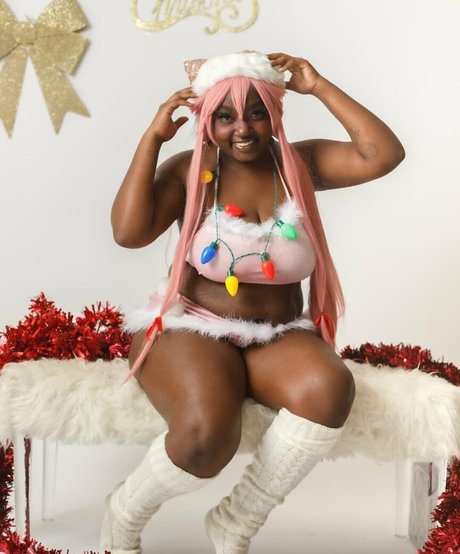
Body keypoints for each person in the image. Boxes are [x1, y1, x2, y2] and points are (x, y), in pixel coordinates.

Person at [101, 51, 405, 554]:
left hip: (277, 334)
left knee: (328, 389)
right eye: (225, 116)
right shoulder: (191, 170)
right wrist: (153, 139)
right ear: (207, 119)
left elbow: (382, 154)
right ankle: (123, 515)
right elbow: (128, 233)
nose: (242, 128)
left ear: (275, 112)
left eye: (256, 113)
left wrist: (319, 85)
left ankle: (236, 520)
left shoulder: (298, 165)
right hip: (192, 327)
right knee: (206, 437)